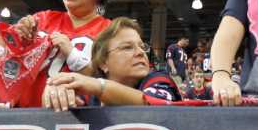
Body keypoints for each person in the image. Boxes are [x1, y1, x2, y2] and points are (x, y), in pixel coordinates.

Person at [0, 0, 115, 108]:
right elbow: (9, 66)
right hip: (25, 114)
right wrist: (20, 39)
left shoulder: (110, 31)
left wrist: (72, 55)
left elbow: (111, 84)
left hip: (77, 119)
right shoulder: (43, 18)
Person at [44, 17, 181, 109]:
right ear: (103, 63)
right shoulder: (89, 95)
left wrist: (98, 86)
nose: (140, 52)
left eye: (142, 46)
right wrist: (55, 92)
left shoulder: (159, 79)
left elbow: (153, 105)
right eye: (127, 47)